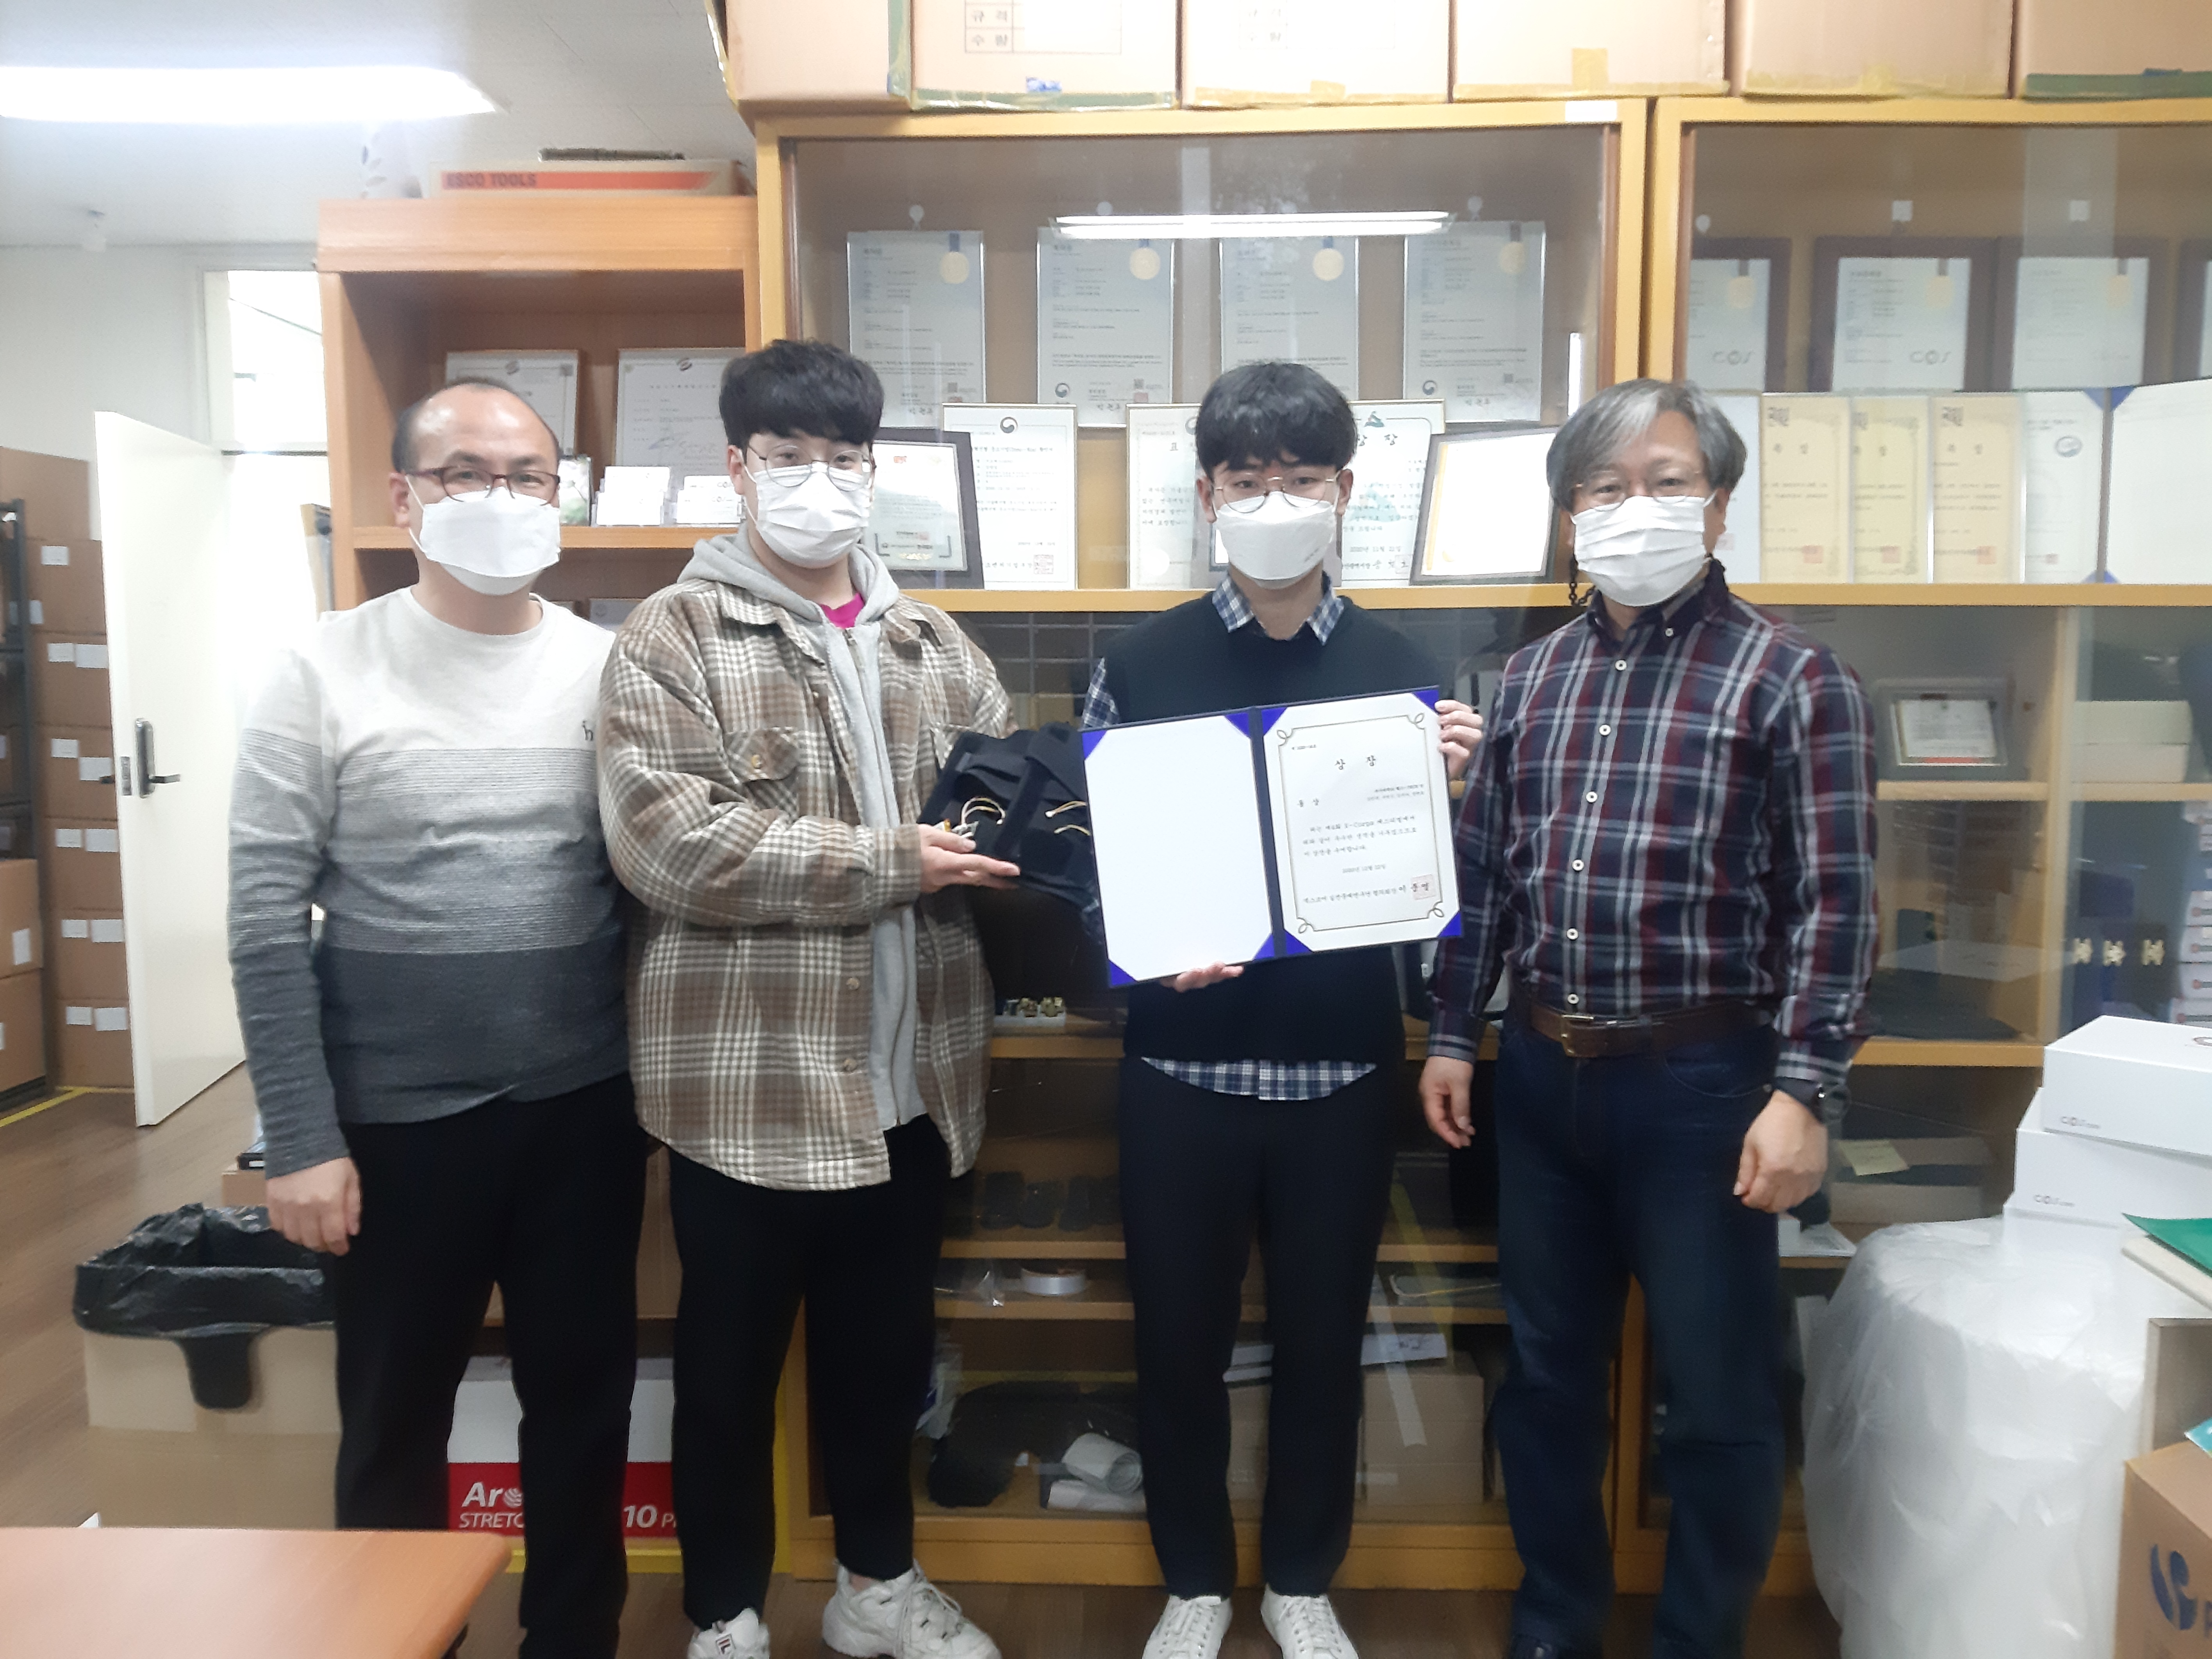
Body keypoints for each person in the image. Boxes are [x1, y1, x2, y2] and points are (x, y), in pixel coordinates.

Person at [1420, 378, 1878, 1659]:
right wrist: (1455, 1032)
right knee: (1547, 1380)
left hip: (1708, 1086)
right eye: (1606, 488)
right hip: (1542, 1075)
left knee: (1719, 1397)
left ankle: (1697, 1640)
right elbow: (1487, 876)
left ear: (1718, 504)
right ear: (1571, 514)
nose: (1636, 509)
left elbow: (1839, 904)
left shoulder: (1795, 678)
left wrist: (1806, 1093)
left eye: (1668, 483)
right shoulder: (1528, 680)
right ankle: (1557, 1622)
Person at [597, 339, 1015, 1659]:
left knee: (884, 1369)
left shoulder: (933, 642)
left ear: (874, 471)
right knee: (725, 1379)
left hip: (915, 1091)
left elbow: (1010, 807)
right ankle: (726, 1612)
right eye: (788, 457)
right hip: (751, 1097)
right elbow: (670, 845)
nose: (818, 481)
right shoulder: (669, 637)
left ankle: (876, 1590)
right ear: (739, 466)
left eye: (843, 458)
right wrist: (891, 862)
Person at [230, 379, 644, 1659]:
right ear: (404, 498)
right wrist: (301, 1141)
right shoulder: (320, 669)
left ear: (561, 499)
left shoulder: (609, 667)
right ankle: (401, 1640)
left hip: (582, 1114)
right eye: (466, 473)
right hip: (395, 1129)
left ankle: (572, 1640)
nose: (500, 499)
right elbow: (263, 922)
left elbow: (643, 889)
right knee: (393, 1422)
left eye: (529, 477)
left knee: (584, 1412)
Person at [1084, 361, 1482, 1659]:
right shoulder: (1139, 663)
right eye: (1249, 479)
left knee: (1324, 1345)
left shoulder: (1405, 671)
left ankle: (1302, 1579)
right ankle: (1195, 1582)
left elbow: (1438, 890)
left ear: (1345, 491)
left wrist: (1456, 797)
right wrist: (1146, 954)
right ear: (1207, 494)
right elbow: (1093, 871)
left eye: (1302, 479)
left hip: (1340, 1075)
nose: (1275, 502)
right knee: (1177, 1345)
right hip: (1181, 1077)